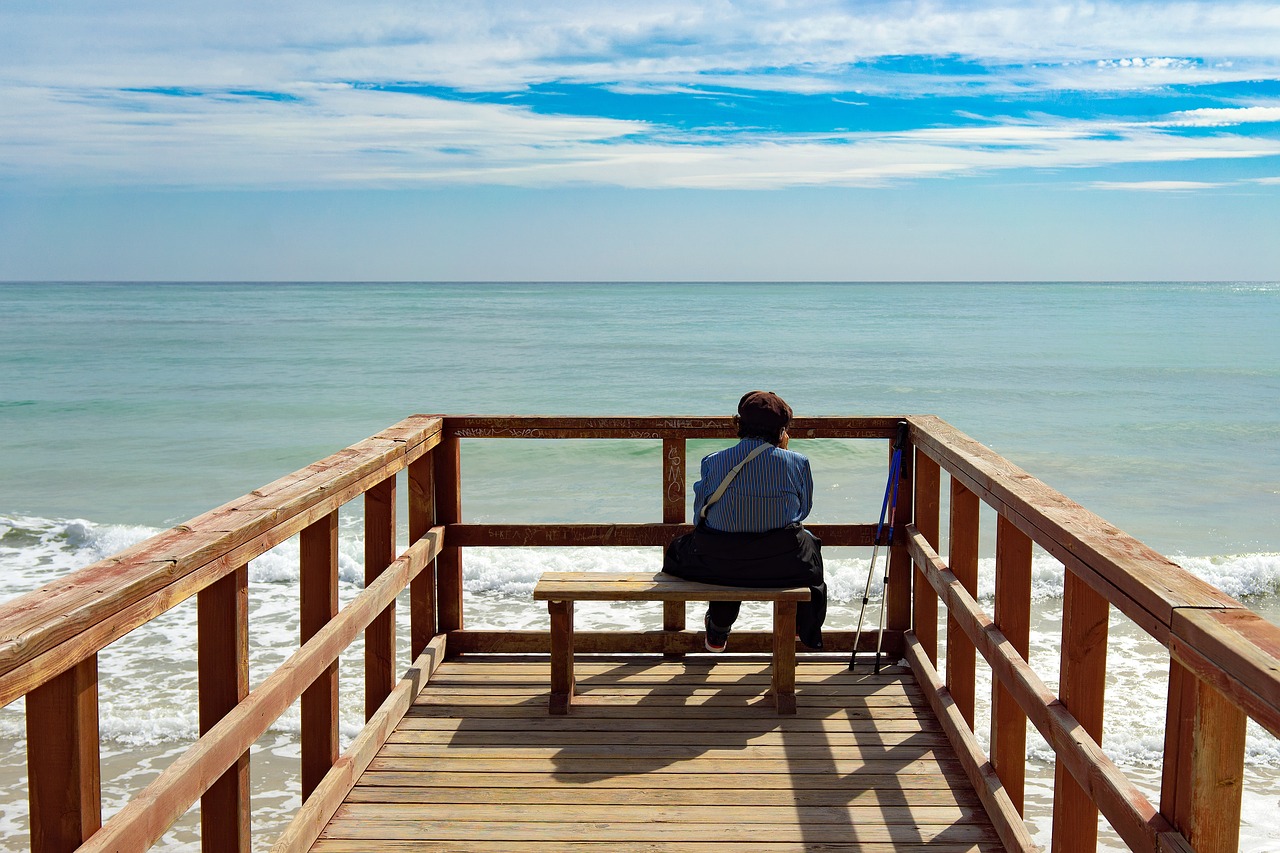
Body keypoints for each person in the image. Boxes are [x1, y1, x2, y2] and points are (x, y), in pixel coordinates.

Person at [663, 390, 827, 651]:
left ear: (738, 424)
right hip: (779, 565)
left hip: (719, 564)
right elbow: (802, 511)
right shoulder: (797, 462)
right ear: (782, 430)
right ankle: (800, 628)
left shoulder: (714, 461)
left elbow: (700, 517)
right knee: (810, 548)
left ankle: (718, 630)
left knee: (720, 548)